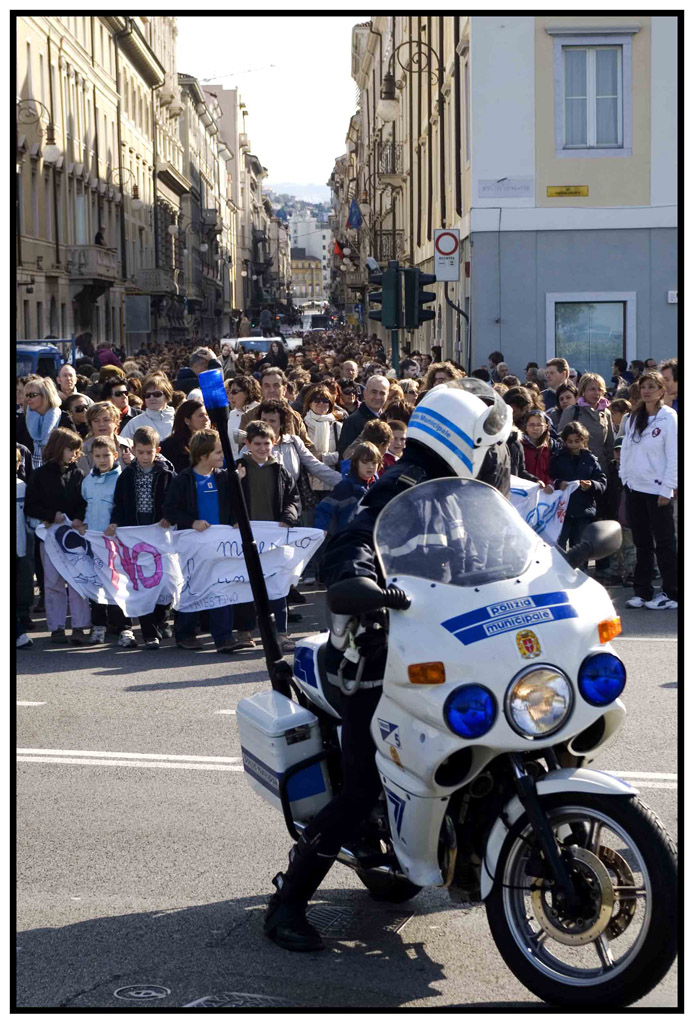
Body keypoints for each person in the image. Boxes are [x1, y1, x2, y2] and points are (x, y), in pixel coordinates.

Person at [263, 379, 512, 952]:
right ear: (460, 436)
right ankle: (287, 904)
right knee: (361, 786)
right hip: (377, 654)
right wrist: (357, 578)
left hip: (445, 647)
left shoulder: (468, 492)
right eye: (486, 439)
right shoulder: (401, 484)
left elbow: (505, 548)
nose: (494, 452)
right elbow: (352, 537)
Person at [163, 429, 238, 653]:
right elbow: (170, 510)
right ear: (202, 456)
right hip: (193, 547)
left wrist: (234, 521)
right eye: (217, 452)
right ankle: (185, 633)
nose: (221, 456)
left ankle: (224, 637)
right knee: (193, 588)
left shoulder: (224, 477)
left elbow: (235, 505)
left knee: (221, 589)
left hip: (220, 545)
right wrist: (192, 522)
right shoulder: (184, 479)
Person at [235, 421, 301, 654]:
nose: (263, 448)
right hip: (247, 537)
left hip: (274, 537)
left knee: (278, 584)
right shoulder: (237, 469)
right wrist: (235, 517)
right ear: (248, 444)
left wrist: (288, 516)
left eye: (267, 443)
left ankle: (280, 633)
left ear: (274, 443)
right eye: (258, 444)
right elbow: (228, 496)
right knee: (245, 583)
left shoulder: (280, 470)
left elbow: (293, 498)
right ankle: (244, 631)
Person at [109, 426, 175, 648]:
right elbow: (119, 503)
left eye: (149, 452)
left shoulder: (166, 473)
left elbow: (174, 500)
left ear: (157, 450)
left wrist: (168, 516)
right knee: (143, 582)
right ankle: (149, 633)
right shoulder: (127, 475)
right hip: (135, 534)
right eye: (141, 452)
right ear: (134, 451)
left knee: (162, 581)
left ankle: (159, 622)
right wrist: (117, 523)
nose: (145, 457)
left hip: (159, 534)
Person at [24, 427, 92, 645]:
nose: (75, 454)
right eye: (71, 449)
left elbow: (83, 503)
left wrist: (79, 518)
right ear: (58, 448)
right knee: (52, 581)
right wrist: (50, 515)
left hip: (73, 538)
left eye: (77, 450)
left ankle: (80, 626)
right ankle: (57, 627)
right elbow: (30, 506)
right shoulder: (39, 475)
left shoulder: (77, 474)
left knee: (77, 581)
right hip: (50, 538)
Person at [620, 372, 678, 610]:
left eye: (652, 387)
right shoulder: (633, 417)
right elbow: (626, 450)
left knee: (665, 543)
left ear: (661, 390)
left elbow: (674, 456)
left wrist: (668, 488)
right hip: (635, 489)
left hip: (659, 492)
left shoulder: (669, 417)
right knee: (642, 543)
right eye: (643, 387)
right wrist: (625, 478)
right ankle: (642, 591)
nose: (646, 391)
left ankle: (671, 592)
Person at [80, 435, 138, 648]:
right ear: (91, 457)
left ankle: (125, 628)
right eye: (98, 456)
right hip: (93, 542)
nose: (103, 460)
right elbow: (85, 505)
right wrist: (84, 524)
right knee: (97, 585)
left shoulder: (122, 478)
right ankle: (98, 625)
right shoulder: (87, 481)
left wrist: (116, 523)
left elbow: (124, 507)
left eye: (106, 455)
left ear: (115, 455)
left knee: (119, 584)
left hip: (115, 542)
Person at [549, 422, 607, 551]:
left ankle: (581, 570)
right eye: (570, 441)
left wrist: (592, 485)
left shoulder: (591, 460)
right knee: (559, 546)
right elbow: (550, 478)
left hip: (584, 511)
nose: (574, 445)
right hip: (562, 511)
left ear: (583, 440)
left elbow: (602, 482)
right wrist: (559, 483)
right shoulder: (558, 458)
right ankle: (559, 570)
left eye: (577, 441)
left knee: (580, 548)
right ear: (565, 441)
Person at [314, 441, 382, 536]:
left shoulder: (379, 488)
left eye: (374, 462)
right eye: (365, 462)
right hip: (347, 539)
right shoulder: (345, 487)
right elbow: (324, 508)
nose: (370, 466)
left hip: (371, 538)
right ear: (356, 463)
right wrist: (321, 530)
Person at [557, 372, 614, 476]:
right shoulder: (572, 411)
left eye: (600, 389)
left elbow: (609, 444)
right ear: (583, 390)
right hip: (576, 467)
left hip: (600, 468)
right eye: (592, 389)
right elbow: (561, 439)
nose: (597, 393)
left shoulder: (606, 413)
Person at [16, 376, 73, 467]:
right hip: (28, 473)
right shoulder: (22, 420)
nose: (28, 399)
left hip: (56, 471)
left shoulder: (63, 419)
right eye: (26, 395)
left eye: (32, 395)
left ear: (46, 395)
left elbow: (72, 447)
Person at [337, 374, 390, 457]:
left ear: (387, 396)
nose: (378, 397)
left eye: (382, 393)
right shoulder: (352, 421)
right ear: (365, 393)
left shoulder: (388, 418)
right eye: (374, 392)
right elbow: (344, 458)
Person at [76, 401, 134, 474]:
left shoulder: (129, 445)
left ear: (116, 422)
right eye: (96, 421)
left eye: (106, 420)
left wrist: (135, 461)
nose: (101, 424)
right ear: (90, 425)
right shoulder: (83, 451)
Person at [160, 399, 212, 474]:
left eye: (207, 415)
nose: (206, 419)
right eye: (201, 416)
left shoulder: (213, 442)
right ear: (187, 421)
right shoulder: (169, 446)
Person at [119, 375, 175, 442]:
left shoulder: (178, 420)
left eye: (157, 394)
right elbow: (122, 447)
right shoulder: (134, 423)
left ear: (167, 396)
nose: (151, 398)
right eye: (147, 395)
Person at [16, 448, 34, 645]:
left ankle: (23, 614)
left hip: (22, 542)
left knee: (24, 581)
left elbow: (30, 515)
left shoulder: (23, 487)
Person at [225, 375, 261, 459]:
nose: (231, 396)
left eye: (235, 392)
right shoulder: (232, 414)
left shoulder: (260, 411)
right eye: (229, 392)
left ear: (247, 392)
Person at [521, 411, 559, 488]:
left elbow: (555, 471)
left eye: (539, 425)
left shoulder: (552, 446)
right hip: (523, 491)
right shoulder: (519, 445)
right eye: (531, 425)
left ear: (546, 427)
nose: (535, 428)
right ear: (526, 427)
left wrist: (551, 484)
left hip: (545, 491)